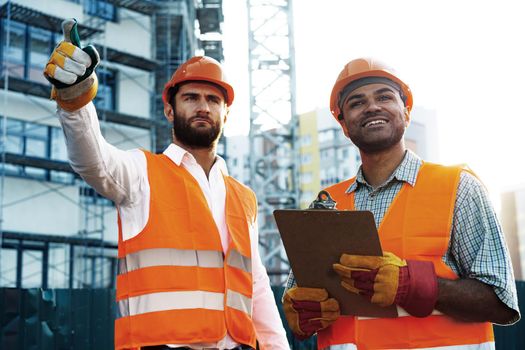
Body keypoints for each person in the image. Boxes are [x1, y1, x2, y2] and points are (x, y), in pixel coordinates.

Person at [44, 19, 289, 350]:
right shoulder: (141, 173)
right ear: (169, 111)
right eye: (191, 97)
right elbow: (93, 160)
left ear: (226, 115)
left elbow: (257, 285)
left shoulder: (243, 198)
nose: (203, 106)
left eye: (213, 100)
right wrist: (75, 102)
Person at [282, 57, 520, 349]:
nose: (372, 107)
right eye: (357, 102)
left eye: (384, 96)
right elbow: (301, 297)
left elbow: (501, 302)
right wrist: (301, 310)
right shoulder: (325, 204)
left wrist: (414, 285)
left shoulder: (458, 188)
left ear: (406, 112)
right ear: (343, 125)